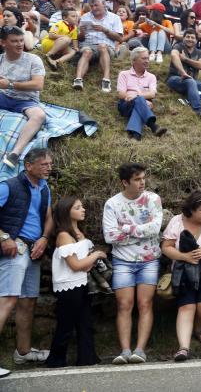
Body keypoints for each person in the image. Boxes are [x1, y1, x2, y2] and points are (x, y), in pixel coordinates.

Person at [0, 148, 53, 377]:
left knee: (28, 301)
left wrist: (44, 238)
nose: (48, 168)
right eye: (43, 164)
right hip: (14, 248)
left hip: (33, 249)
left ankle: (22, 352)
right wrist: (4, 237)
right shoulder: (8, 186)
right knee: (7, 300)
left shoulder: (44, 187)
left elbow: (48, 216)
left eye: (50, 164)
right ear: (28, 166)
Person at [102, 163, 162, 365]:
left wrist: (125, 228)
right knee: (123, 305)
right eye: (137, 179)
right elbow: (110, 236)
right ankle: (125, 350)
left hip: (149, 260)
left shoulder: (153, 199)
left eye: (143, 177)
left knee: (145, 304)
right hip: (122, 261)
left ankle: (140, 350)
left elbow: (154, 229)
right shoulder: (112, 203)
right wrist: (139, 233)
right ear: (125, 182)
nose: (142, 182)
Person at [162, 190, 201, 362]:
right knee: (186, 307)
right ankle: (183, 348)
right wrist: (184, 257)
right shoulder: (176, 222)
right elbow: (166, 247)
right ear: (191, 209)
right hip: (184, 271)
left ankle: (198, 329)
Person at [45, 196, 104, 367]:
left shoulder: (79, 234)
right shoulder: (64, 235)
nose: (83, 209)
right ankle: (56, 360)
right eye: (78, 207)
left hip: (81, 283)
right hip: (68, 286)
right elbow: (75, 265)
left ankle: (87, 358)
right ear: (66, 212)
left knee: (84, 321)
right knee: (65, 324)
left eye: (82, 206)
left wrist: (91, 260)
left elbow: (84, 266)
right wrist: (96, 254)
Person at [0, 27, 46, 169]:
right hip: (4, 96)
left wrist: (11, 85)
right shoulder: (0, 59)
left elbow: (38, 85)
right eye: (14, 41)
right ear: (3, 43)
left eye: (21, 40)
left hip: (26, 100)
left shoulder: (33, 59)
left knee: (39, 116)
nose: (20, 44)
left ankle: (15, 153)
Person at [166, 30, 201, 119]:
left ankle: (190, 100)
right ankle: (198, 111)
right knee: (190, 81)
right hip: (175, 79)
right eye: (187, 37)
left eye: (192, 38)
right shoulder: (178, 47)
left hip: (192, 82)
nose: (190, 39)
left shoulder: (199, 52)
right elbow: (174, 56)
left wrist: (185, 59)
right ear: (183, 38)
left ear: (196, 40)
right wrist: (183, 73)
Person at [74, 0, 123, 93]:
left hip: (107, 46)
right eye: (91, 6)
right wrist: (82, 33)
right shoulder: (85, 17)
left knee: (102, 46)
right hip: (88, 45)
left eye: (96, 5)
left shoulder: (114, 18)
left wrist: (105, 30)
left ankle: (106, 80)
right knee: (87, 51)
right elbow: (79, 38)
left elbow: (120, 38)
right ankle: (78, 80)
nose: (94, 8)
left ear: (104, 4)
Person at [116, 47, 167, 140]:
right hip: (126, 104)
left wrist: (138, 98)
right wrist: (137, 99)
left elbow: (152, 94)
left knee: (139, 102)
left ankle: (136, 135)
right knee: (140, 100)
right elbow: (121, 94)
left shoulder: (151, 77)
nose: (147, 61)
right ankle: (153, 126)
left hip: (143, 104)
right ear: (134, 60)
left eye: (147, 58)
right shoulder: (124, 74)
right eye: (144, 58)